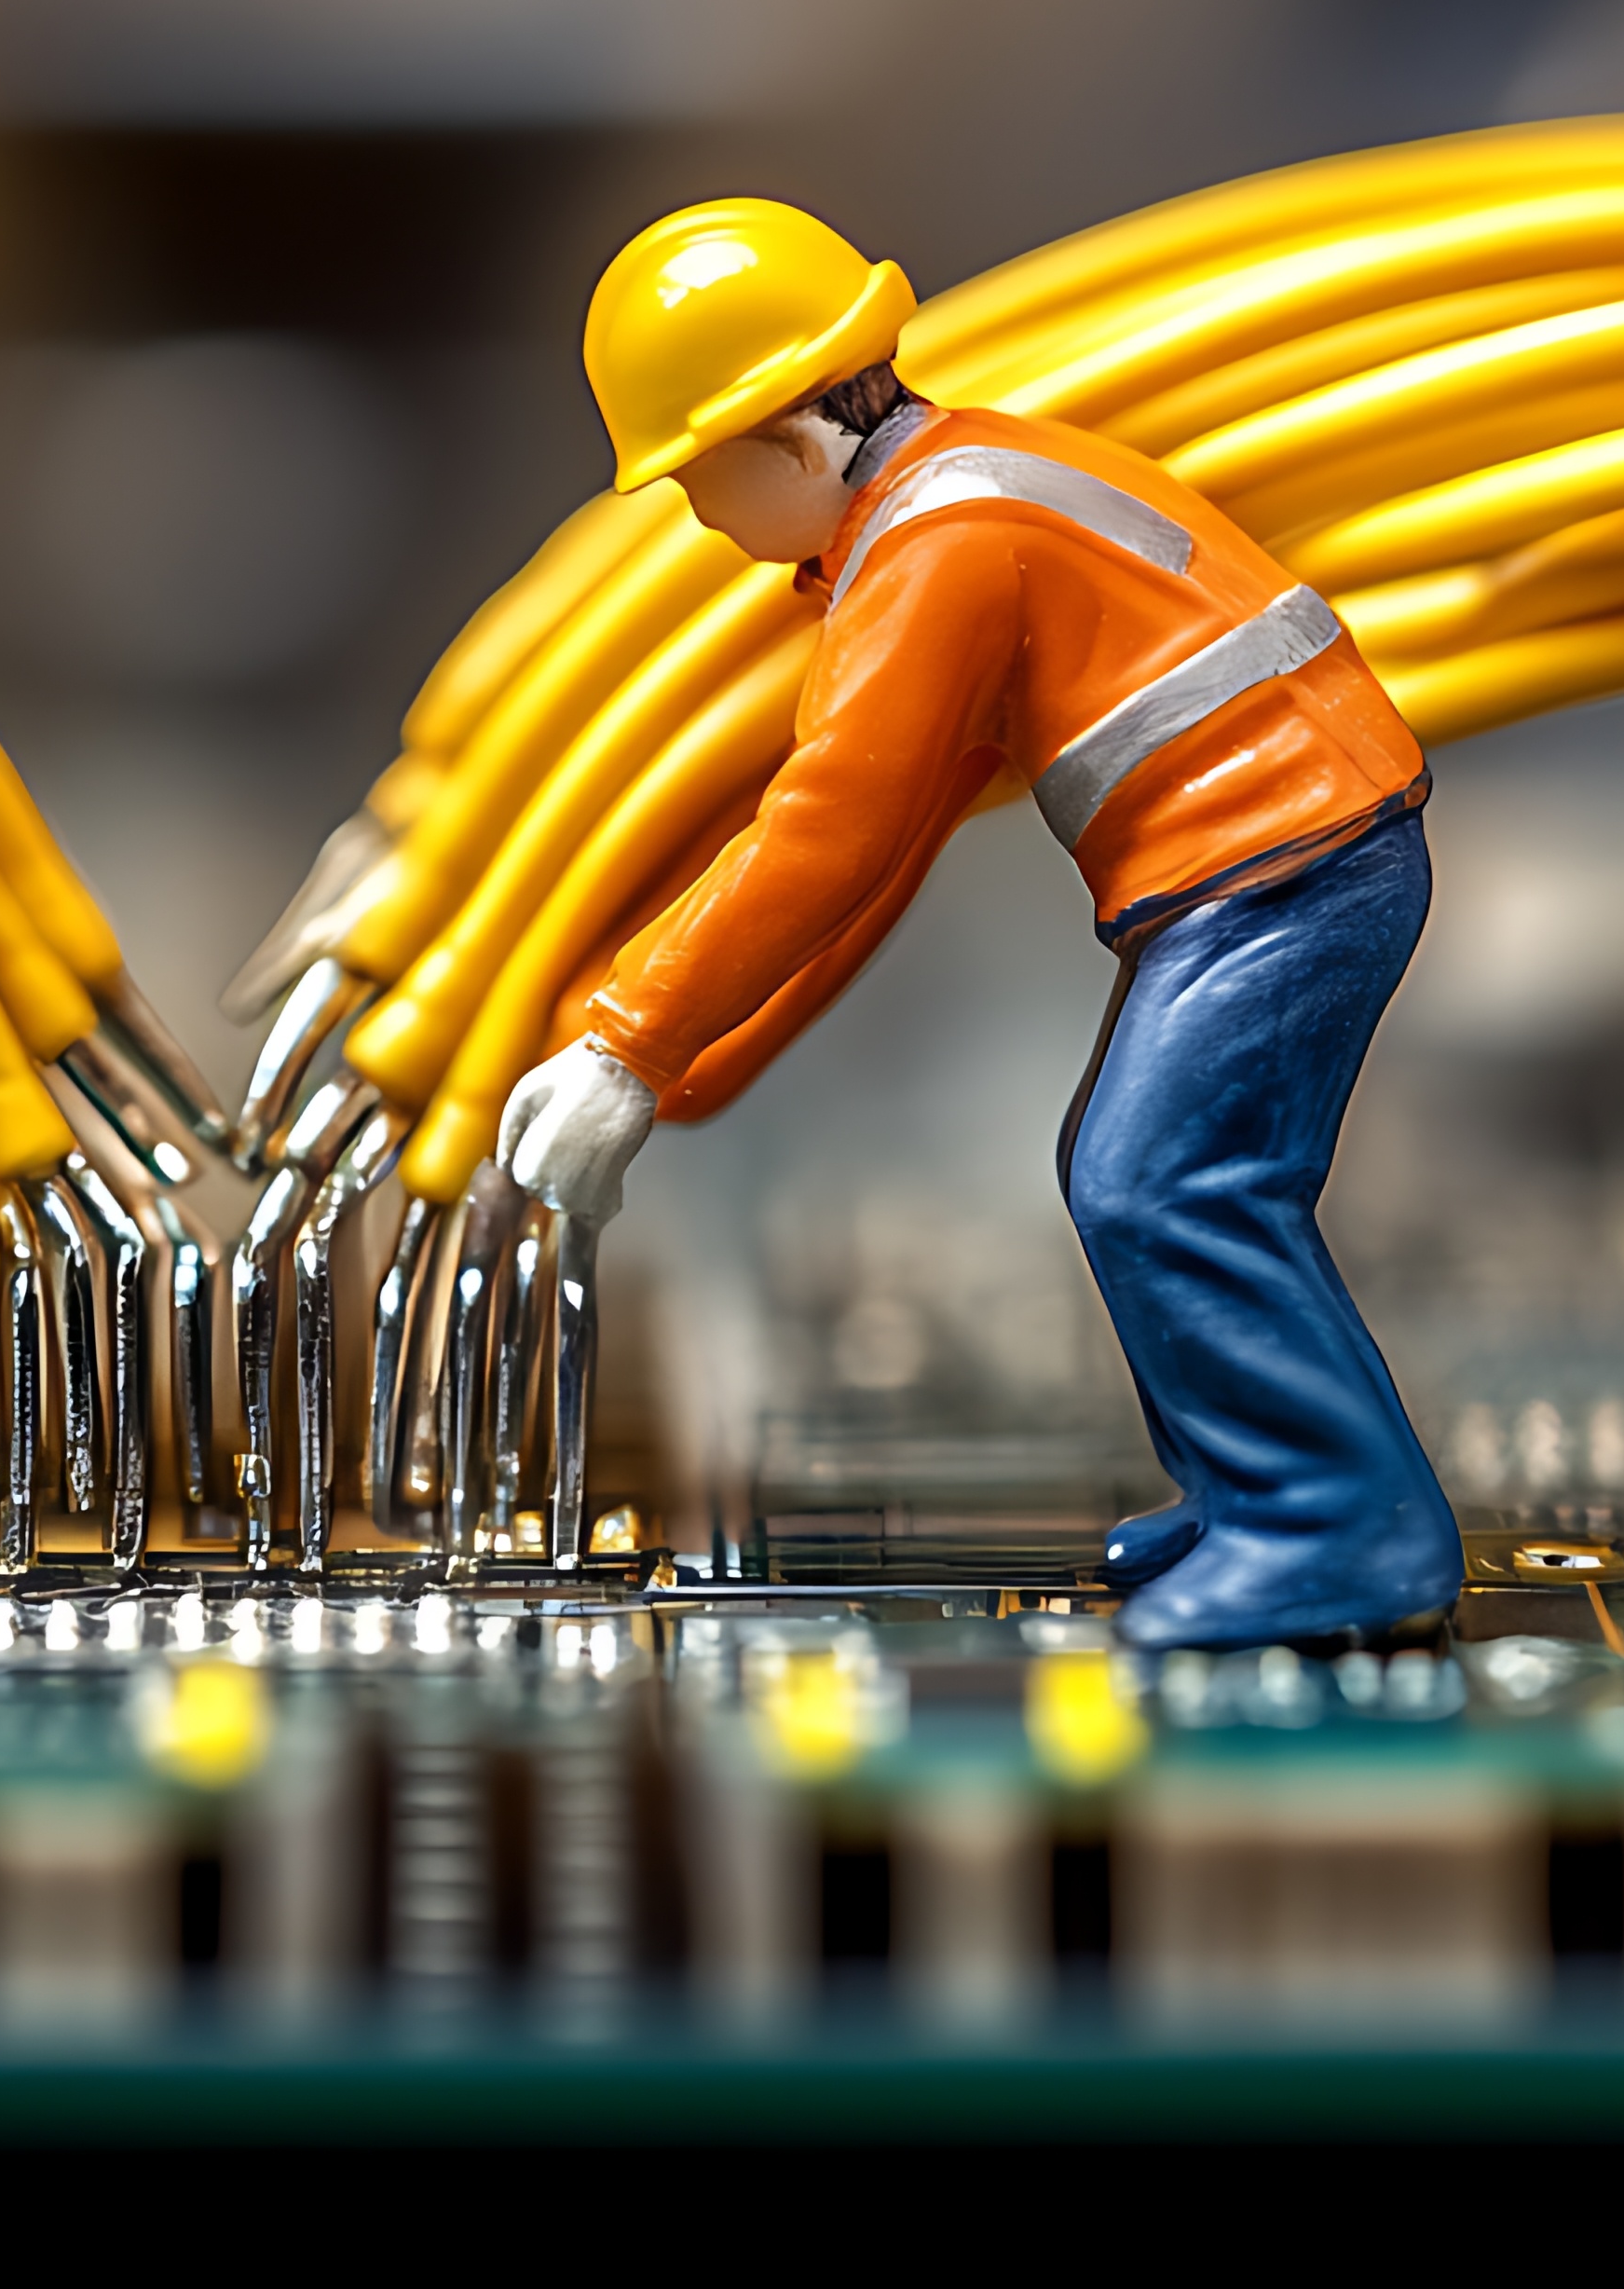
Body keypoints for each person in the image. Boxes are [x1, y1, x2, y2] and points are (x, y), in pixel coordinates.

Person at [489, 198, 1456, 1650]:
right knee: (1144, 1171)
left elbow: (829, 832)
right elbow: (877, 850)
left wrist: (627, 1045)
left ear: (797, 445)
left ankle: (1336, 1527)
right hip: (1283, 856)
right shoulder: (956, 492)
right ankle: (1255, 1494)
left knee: (1164, 1186)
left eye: (700, 482)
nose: (699, 521)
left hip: (1287, 864)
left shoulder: (939, 543)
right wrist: (681, 1052)